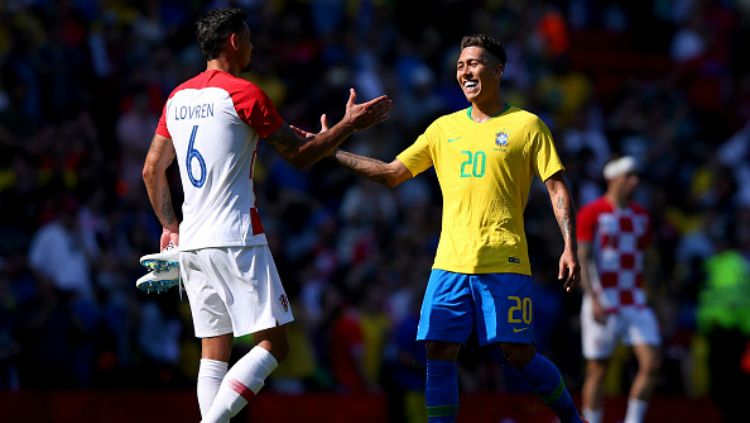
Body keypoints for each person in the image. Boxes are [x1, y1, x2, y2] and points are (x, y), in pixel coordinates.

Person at [294, 34, 583, 423]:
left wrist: (569, 245)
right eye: (461, 64)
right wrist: (333, 150)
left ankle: (574, 419)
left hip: (504, 257)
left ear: (497, 71)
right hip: (449, 261)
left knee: (518, 354)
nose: (465, 70)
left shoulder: (526, 125)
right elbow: (392, 173)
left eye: (475, 63)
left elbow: (556, 184)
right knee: (439, 349)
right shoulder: (442, 129)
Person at [141, 8, 391, 422]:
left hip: (193, 241)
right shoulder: (244, 93)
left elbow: (151, 169)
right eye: (250, 38)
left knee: (213, 350)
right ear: (234, 41)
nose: (254, 46)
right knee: (275, 344)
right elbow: (300, 156)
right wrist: (349, 124)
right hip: (236, 235)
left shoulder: (177, 98)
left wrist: (170, 226)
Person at [576, 155, 662, 423]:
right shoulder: (592, 212)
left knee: (652, 363)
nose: (635, 182)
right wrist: (593, 299)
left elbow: (647, 257)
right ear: (613, 179)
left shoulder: (640, 216)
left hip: (635, 300)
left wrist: (654, 292)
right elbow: (583, 258)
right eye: (629, 176)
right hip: (604, 300)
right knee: (598, 369)